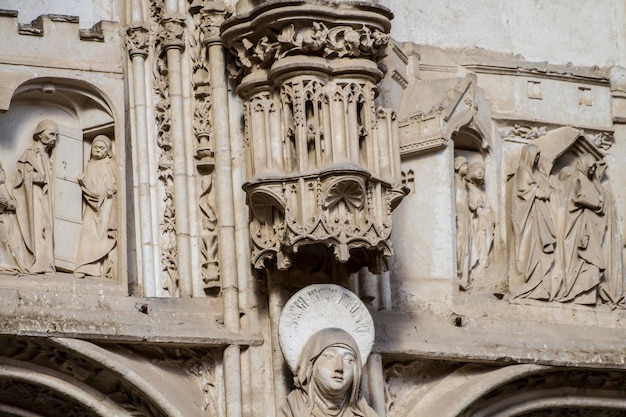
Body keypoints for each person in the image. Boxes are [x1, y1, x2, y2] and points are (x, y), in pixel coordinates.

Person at [279, 328, 379, 417]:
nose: (339, 367)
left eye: (348, 360)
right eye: (329, 357)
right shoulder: (290, 412)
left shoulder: (367, 414)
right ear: (312, 364)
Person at [557, 154, 606, 304]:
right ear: (583, 164)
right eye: (590, 167)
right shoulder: (576, 178)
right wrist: (595, 204)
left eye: (594, 168)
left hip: (592, 226)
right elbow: (575, 199)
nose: (592, 170)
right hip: (577, 225)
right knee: (582, 257)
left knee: (593, 259)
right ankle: (574, 291)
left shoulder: (591, 182)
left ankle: (588, 295)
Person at [511, 144, 557, 300]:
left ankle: (542, 288)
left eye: (539, 156)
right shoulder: (522, 171)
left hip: (539, 218)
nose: (537, 159)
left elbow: (546, 187)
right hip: (529, 219)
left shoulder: (535, 173)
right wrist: (539, 193)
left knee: (540, 251)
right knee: (531, 250)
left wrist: (545, 190)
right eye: (535, 156)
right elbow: (524, 192)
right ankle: (530, 285)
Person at [13, 119, 58, 273]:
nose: (54, 138)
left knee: (46, 227)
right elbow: (23, 178)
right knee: (38, 226)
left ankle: (46, 263)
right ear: (39, 135)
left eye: (56, 135)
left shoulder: (49, 155)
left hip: (46, 198)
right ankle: (39, 262)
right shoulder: (29, 154)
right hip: (34, 197)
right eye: (51, 134)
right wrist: (37, 178)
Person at [73, 135, 117, 278]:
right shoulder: (89, 165)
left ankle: (102, 267)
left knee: (102, 234)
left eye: (102, 147)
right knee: (87, 230)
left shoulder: (111, 164)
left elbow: (118, 181)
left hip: (106, 204)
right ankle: (86, 266)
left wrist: (111, 189)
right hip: (91, 203)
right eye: (96, 147)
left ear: (108, 150)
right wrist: (83, 181)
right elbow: (89, 184)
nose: (98, 150)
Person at [466, 161, 494, 281]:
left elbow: (488, 207)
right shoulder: (469, 190)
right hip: (476, 222)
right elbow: (470, 205)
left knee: (487, 242)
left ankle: (483, 266)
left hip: (486, 221)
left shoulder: (483, 192)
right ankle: (477, 269)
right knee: (479, 242)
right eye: (477, 170)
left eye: (482, 170)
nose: (480, 172)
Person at [454, 156, 470, 290]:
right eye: (464, 165)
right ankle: (457, 274)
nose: (467, 168)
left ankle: (462, 275)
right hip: (458, 216)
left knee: (464, 244)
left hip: (464, 216)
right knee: (458, 243)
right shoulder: (454, 180)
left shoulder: (463, 183)